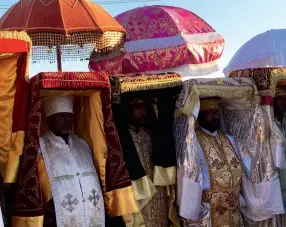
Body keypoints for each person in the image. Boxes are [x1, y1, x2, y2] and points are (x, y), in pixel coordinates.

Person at [38, 95, 105, 227]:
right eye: (62, 116)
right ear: (49, 119)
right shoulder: (39, 148)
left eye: (69, 115)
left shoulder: (82, 144)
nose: (67, 120)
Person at [192, 97, 244, 227]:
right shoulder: (194, 141)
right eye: (209, 113)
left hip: (234, 205)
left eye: (215, 112)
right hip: (211, 208)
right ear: (200, 116)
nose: (214, 116)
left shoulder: (229, 139)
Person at [124, 97, 170, 227]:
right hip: (137, 195)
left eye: (144, 108)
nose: (143, 112)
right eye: (137, 108)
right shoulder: (123, 138)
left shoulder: (151, 134)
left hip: (158, 192)